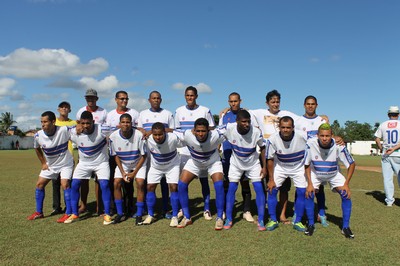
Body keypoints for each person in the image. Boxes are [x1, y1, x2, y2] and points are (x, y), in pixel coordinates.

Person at [251, 89, 299, 224]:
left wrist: (322, 118)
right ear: (267, 103)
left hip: (282, 158)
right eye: (273, 101)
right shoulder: (260, 113)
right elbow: (243, 111)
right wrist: (225, 111)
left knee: (284, 188)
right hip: (265, 155)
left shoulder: (286, 114)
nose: (275, 104)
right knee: (266, 186)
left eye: (277, 101)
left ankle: (282, 215)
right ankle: (264, 214)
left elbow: (303, 120)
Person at [304, 123, 356, 238]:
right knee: (309, 193)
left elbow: (351, 164)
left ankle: (345, 227)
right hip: (316, 173)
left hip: (333, 174)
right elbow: (306, 164)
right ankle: (311, 224)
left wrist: (346, 184)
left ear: (332, 135)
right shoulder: (310, 144)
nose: (324, 138)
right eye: (322, 135)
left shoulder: (339, 145)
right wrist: (310, 184)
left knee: (345, 194)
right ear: (317, 135)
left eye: (327, 136)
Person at [175, 118, 226, 230]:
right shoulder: (188, 134)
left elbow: (230, 127)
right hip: (195, 162)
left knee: (219, 185)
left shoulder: (216, 135)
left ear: (208, 130)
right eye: (198, 131)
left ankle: (219, 217)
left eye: (203, 131)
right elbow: (170, 131)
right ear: (194, 130)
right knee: (182, 184)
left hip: (213, 162)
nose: (200, 134)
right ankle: (187, 217)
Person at [174, 86, 216, 221]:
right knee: (182, 182)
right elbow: (176, 130)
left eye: (192, 95)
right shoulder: (179, 111)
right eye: (187, 95)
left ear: (196, 96)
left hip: (201, 151)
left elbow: (212, 128)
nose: (190, 98)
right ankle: (183, 208)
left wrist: (198, 132)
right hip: (184, 152)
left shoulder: (205, 110)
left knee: (204, 181)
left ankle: (207, 208)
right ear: (184, 96)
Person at [65, 111, 113, 225]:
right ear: (79, 123)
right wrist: (75, 126)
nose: (86, 126)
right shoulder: (74, 131)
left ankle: (107, 214)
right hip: (84, 164)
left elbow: (120, 128)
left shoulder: (102, 129)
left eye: (88, 123)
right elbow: (59, 129)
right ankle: (75, 213)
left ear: (93, 122)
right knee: (75, 184)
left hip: (101, 163)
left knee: (104, 185)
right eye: (83, 123)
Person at [222, 110, 267, 231]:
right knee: (232, 189)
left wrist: (264, 166)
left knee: (258, 188)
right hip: (236, 164)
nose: (247, 124)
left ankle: (261, 219)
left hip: (253, 164)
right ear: (237, 122)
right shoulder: (229, 128)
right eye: (244, 122)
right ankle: (229, 218)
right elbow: (215, 135)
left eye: (248, 121)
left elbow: (263, 147)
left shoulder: (256, 131)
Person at [28, 111, 74, 223]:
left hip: (65, 163)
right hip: (51, 165)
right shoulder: (38, 135)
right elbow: (37, 148)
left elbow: (78, 129)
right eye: (41, 122)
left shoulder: (64, 130)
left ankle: (68, 213)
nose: (42, 124)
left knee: (65, 184)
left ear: (53, 122)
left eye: (45, 122)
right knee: (39, 184)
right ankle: (39, 212)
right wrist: (43, 163)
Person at [265, 116, 308, 232]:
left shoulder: (303, 135)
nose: (285, 130)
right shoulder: (272, 139)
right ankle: (273, 219)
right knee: (272, 190)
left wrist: (335, 138)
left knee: (302, 192)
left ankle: (298, 221)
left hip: (298, 167)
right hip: (281, 167)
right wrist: (271, 179)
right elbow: (269, 159)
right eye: (283, 127)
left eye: (288, 127)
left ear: (293, 128)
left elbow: (318, 138)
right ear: (279, 127)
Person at [137, 91, 175, 219]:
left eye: (158, 98)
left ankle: (165, 209)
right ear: (149, 100)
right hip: (148, 153)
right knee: (149, 182)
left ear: (161, 100)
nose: (156, 100)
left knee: (165, 182)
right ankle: (148, 209)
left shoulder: (167, 114)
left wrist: (154, 131)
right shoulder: (143, 114)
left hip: (162, 152)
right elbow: (139, 130)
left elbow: (173, 130)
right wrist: (144, 131)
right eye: (153, 98)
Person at [219, 92, 255, 222]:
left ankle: (246, 211)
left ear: (240, 101)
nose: (233, 103)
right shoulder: (225, 115)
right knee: (227, 183)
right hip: (228, 153)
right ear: (228, 102)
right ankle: (224, 210)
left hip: (243, 154)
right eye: (231, 101)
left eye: (236, 101)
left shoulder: (247, 114)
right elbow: (220, 133)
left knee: (244, 182)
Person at [294, 96, 329, 227]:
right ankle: (298, 214)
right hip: (303, 159)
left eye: (313, 104)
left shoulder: (322, 121)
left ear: (316, 105)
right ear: (304, 105)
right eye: (308, 104)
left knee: (319, 187)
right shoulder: (298, 121)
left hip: (318, 159)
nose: (310, 106)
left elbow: (327, 136)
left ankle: (321, 213)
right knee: (301, 187)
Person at [106, 90, 140, 217]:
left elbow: (139, 130)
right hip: (115, 152)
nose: (124, 101)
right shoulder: (110, 115)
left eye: (126, 98)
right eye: (121, 99)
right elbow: (107, 132)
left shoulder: (134, 113)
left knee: (129, 183)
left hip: (130, 153)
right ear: (116, 100)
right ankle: (114, 207)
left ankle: (130, 206)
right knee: (115, 181)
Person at [143, 122, 183, 227]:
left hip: (172, 166)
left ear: (165, 133)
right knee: (150, 187)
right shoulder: (148, 139)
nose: (158, 137)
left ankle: (174, 216)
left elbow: (185, 140)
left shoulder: (173, 138)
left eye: (160, 134)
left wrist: (173, 130)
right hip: (156, 167)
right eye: (155, 134)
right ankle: (150, 215)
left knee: (173, 187)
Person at [109, 113, 146, 225]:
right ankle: (120, 213)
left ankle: (139, 214)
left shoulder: (139, 135)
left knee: (140, 183)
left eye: (128, 122)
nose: (126, 124)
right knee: (116, 183)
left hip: (138, 162)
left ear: (131, 123)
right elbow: (115, 156)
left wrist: (134, 173)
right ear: (119, 124)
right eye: (123, 122)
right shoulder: (113, 137)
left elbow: (144, 156)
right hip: (123, 164)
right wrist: (123, 172)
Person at [76, 88, 107, 215]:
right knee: (83, 179)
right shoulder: (80, 111)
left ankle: (99, 207)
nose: (90, 100)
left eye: (92, 98)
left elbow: (105, 130)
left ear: (97, 99)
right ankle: (83, 204)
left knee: (99, 180)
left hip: (99, 150)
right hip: (85, 150)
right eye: (88, 98)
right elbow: (78, 126)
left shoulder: (103, 111)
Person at [51, 101, 77, 216]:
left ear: (70, 110)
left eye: (67, 107)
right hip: (54, 158)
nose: (64, 109)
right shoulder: (53, 122)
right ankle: (56, 207)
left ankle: (69, 206)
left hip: (68, 157)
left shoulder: (73, 123)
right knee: (55, 183)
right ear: (58, 109)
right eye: (62, 107)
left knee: (67, 183)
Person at [374, 106, 400, 207]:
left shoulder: (383, 124)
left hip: (386, 154)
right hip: (398, 153)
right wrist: (393, 149)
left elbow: (377, 139)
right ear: (398, 114)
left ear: (388, 114)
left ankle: (389, 201)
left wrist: (381, 148)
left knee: (387, 179)